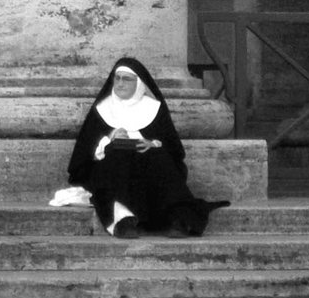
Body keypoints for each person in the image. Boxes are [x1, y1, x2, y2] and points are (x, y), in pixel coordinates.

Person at [66, 56, 229, 239]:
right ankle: (124, 220)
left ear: (139, 83)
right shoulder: (102, 109)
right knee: (117, 157)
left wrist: (152, 143)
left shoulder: (154, 108)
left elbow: (172, 147)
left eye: (126, 79)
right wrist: (110, 139)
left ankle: (177, 219)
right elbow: (86, 152)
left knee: (159, 156)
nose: (120, 84)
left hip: (148, 168)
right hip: (112, 167)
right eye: (117, 78)